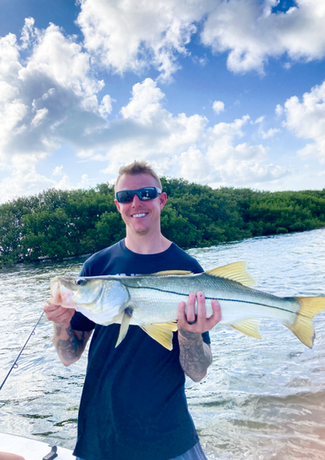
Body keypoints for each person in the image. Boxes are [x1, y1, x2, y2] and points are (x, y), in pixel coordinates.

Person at [44, 160, 221, 460]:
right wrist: (61, 324)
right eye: (126, 197)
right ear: (118, 206)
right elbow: (68, 356)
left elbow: (199, 372)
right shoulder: (97, 269)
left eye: (146, 193)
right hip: (102, 437)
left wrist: (190, 335)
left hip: (168, 438)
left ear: (161, 199)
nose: (136, 203)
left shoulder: (189, 271)